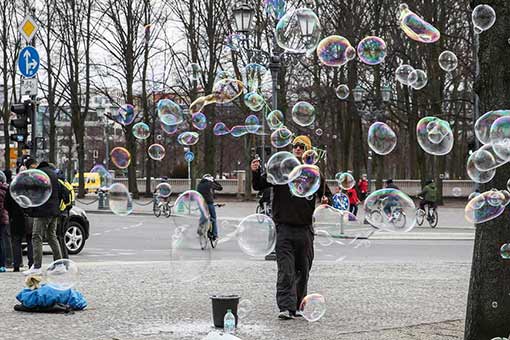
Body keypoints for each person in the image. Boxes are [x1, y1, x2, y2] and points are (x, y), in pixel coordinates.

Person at [251, 135, 332, 320]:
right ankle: (286, 307)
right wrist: (255, 171)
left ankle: (298, 306)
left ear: (308, 152)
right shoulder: (282, 168)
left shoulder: (313, 173)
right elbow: (259, 184)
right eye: (295, 145)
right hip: (284, 228)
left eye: (302, 146)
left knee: (303, 270)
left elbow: (326, 194)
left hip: (304, 229)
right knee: (286, 270)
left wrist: (327, 199)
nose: (297, 149)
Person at [23, 160, 63, 276]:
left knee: (36, 236)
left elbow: (34, 194)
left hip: (42, 211)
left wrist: (30, 210)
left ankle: (37, 266)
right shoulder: (53, 174)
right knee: (52, 236)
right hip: (54, 211)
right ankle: (59, 264)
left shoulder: (39, 174)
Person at [4, 169, 33, 272]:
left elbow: (6, 204)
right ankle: (31, 264)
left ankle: (17, 265)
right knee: (30, 240)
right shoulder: (31, 185)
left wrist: (11, 213)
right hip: (29, 216)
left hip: (15, 217)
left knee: (16, 241)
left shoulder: (12, 186)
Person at [196, 174, 223, 240]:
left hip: (201, 203)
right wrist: (214, 181)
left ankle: (200, 227)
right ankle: (214, 235)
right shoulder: (210, 183)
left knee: (203, 215)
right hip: (209, 203)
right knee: (213, 218)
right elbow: (220, 188)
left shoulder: (199, 185)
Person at [55, 169, 75, 259]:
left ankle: (62, 257)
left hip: (61, 211)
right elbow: (71, 201)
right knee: (62, 236)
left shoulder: (58, 183)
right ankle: (65, 256)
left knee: (59, 236)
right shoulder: (67, 184)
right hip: (66, 212)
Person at [0, 171, 9, 272]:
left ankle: (1, 264)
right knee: (2, 240)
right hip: (4, 218)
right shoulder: (6, 189)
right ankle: (2, 264)